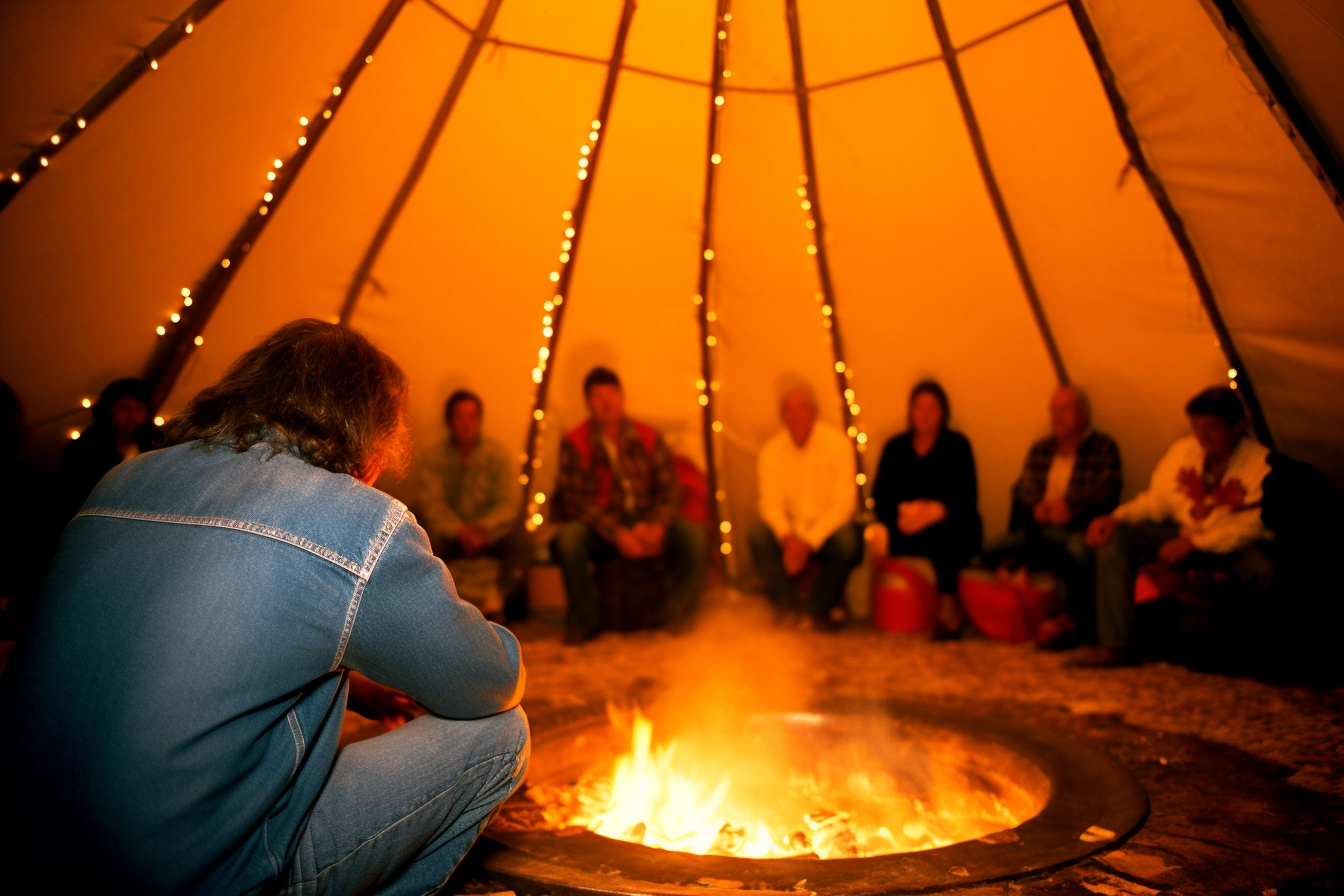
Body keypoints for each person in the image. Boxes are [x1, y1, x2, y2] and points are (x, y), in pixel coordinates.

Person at [0, 320, 529, 893]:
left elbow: (178, 642)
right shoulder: (357, 518)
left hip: (29, 848)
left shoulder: (119, 480)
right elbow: (488, 680)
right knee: (501, 732)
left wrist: (357, 682)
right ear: (369, 432)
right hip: (190, 875)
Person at [1073, 386, 1273, 667]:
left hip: (1230, 543)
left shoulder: (1260, 463)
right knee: (1116, 537)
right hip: (1184, 533)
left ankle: (1248, 652)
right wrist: (1115, 518)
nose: (1202, 436)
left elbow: (1254, 525)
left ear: (1238, 426)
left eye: (1212, 427)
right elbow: (1156, 502)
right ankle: (1117, 644)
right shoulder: (1184, 451)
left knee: (1262, 568)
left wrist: (1196, 543)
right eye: (1196, 427)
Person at [552, 366, 706, 644]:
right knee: (568, 539)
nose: (606, 402)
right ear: (588, 403)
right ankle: (586, 620)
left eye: (611, 393)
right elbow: (575, 501)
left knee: (695, 538)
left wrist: (658, 524)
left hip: (647, 517)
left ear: (622, 397)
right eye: (598, 396)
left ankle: (676, 618)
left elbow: (670, 489)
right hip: (602, 524)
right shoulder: (575, 443)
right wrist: (616, 534)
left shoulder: (647, 436)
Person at [980, 386, 1121, 646]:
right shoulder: (1041, 449)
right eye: (1054, 409)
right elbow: (1023, 489)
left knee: (1077, 549)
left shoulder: (1103, 448)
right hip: (1038, 531)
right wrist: (1036, 508)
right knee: (988, 550)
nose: (1057, 416)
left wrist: (1071, 510)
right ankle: (1023, 593)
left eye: (1065, 409)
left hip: (1077, 529)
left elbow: (1107, 491)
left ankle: (1074, 621)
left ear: (1082, 415)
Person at [870, 380, 982, 635]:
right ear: (910, 411)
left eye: (932, 408)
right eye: (919, 407)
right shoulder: (895, 447)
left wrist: (935, 511)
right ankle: (946, 606)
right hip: (905, 528)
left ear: (943, 412)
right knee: (883, 536)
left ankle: (947, 604)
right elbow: (880, 496)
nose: (925, 414)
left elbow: (967, 496)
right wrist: (905, 514)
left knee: (949, 534)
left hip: (949, 526)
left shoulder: (957, 445)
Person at [748, 384, 862, 627]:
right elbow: (770, 503)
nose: (796, 415)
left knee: (848, 543)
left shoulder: (838, 446)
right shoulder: (771, 451)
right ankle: (787, 608)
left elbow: (844, 505)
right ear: (782, 416)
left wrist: (809, 543)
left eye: (802, 408)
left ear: (814, 412)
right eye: (789, 409)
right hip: (790, 533)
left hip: (825, 532)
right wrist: (788, 538)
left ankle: (813, 611)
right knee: (758, 536)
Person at [417, 389, 528, 620]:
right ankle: (440, 602)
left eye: (472, 416)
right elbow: (431, 504)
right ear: (450, 421)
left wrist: (483, 527)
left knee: (524, 536)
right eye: (460, 417)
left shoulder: (497, 455)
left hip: (488, 535)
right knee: (416, 528)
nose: (467, 423)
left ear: (480, 420)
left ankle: (497, 598)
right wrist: (460, 531)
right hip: (450, 536)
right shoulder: (433, 457)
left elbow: (509, 503)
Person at [56, 377, 163, 522]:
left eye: (139, 409)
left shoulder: (153, 443)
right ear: (108, 409)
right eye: (124, 408)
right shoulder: (85, 448)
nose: (132, 416)